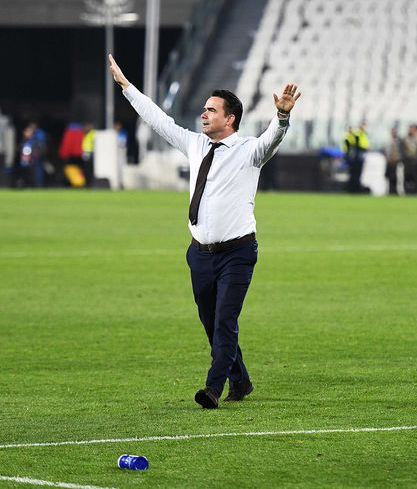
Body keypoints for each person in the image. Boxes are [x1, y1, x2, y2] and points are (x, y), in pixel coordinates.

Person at [108, 54, 301, 409]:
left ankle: (213, 388)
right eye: (204, 109)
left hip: (237, 253)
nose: (204, 114)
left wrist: (282, 117)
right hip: (199, 254)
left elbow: (271, 140)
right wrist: (126, 87)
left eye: (212, 110)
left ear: (230, 119)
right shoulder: (196, 144)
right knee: (212, 324)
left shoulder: (249, 151)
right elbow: (158, 120)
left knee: (225, 321)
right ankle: (241, 381)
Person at [385, 126, 403, 195]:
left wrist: (396, 158)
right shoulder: (388, 141)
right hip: (389, 161)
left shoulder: (398, 141)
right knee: (388, 176)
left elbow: (399, 151)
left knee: (395, 177)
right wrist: (387, 158)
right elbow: (386, 151)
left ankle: (395, 190)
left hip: (395, 161)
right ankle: (390, 190)